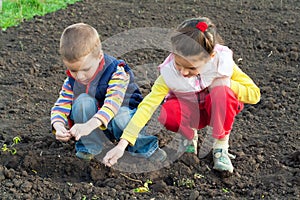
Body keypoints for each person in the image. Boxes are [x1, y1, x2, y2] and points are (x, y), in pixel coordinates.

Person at [103, 17, 260, 173]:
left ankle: (220, 146)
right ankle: (189, 136)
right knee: (168, 112)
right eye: (179, 64)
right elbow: (147, 106)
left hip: (214, 109)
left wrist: (224, 84)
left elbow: (254, 95)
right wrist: (123, 143)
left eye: (191, 68)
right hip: (190, 111)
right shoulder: (169, 73)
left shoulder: (221, 64)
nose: (183, 72)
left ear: (210, 57)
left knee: (222, 93)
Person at [50, 23, 167, 163]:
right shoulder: (72, 81)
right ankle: (89, 146)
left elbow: (112, 105)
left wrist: (88, 125)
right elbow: (61, 105)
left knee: (121, 118)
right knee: (82, 102)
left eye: (85, 69)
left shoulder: (117, 72)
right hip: (95, 126)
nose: (80, 76)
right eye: (74, 71)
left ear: (99, 57)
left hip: (122, 117)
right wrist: (58, 125)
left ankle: (144, 148)